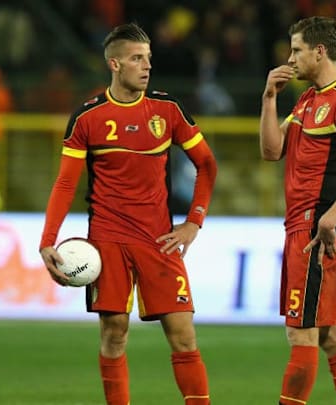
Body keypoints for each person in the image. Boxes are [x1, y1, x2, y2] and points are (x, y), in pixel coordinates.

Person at [38, 23, 217, 405]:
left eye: (148, 58)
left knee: (184, 334)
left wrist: (193, 221)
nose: (146, 66)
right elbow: (65, 184)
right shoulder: (87, 118)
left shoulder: (167, 110)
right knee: (114, 333)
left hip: (159, 240)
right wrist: (46, 242)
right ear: (114, 64)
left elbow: (207, 164)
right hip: (108, 240)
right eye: (137, 58)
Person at [259, 16, 336, 405]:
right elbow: (272, 151)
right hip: (301, 226)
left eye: (296, 50)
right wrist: (269, 98)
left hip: (320, 228)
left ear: (319, 51)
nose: (290, 58)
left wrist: (330, 218)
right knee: (330, 333)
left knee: (302, 332)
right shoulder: (309, 100)